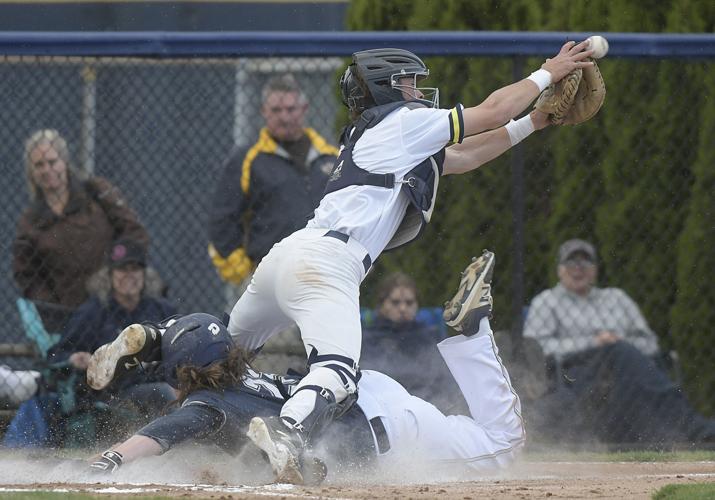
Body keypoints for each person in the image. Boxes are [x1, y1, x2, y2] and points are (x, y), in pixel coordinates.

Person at [90, 43, 593, 480]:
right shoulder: (402, 124)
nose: (419, 92)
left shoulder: (381, 136)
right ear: (388, 88)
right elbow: (487, 112)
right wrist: (547, 72)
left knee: (223, 358)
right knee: (337, 371)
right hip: (328, 264)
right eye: (410, 83)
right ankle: (288, 434)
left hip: (285, 257)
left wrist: (538, 120)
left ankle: (152, 340)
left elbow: (469, 154)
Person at [86, 254, 524, 485]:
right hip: (354, 391)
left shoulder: (205, 404)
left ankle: (472, 332)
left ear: (184, 373)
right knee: (463, 433)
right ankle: (156, 335)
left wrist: (112, 458)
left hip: (382, 430)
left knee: (503, 447)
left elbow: (155, 436)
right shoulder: (241, 371)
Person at [523, 238, 715, 445]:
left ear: (595, 269)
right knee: (623, 355)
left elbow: (649, 342)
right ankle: (697, 430)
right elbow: (537, 348)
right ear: (560, 270)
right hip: (577, 371)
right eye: (571, 262)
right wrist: (595, 342)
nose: (578, 268)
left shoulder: (616, 297)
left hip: (628, 367)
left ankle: (680, 436)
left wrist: (618, 342)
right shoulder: (547, 301)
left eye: (585, 262)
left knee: (626, 356)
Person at [207, 73, 338, 300]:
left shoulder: (331, 158)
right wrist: (242, 271)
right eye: (276, 110)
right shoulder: (247, 160)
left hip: (324, 274)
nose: (285, 117)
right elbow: (222, 219)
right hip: (270, 277)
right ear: (263, 112)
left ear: (304, 109)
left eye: (291, 109)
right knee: (277, 338)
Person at [13, 129, 149, 332]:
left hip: (115, 307)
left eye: (52, 161)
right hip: (68, 317)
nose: (47, 169)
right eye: (39, 165)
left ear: (65, 162)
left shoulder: (95, 192)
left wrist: (116, 271)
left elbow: (134, 232)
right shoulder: (30, 221)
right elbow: (26, 274)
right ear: (31, 171)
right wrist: (54, 306)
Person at [48, 238, 177, 414]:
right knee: (161, 393)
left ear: (144, 273)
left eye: (135, 269)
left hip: (161, 382)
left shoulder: (161, 309)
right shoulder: (93, 312)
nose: (129, 275)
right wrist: (74, 358)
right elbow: (56, 355)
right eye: (122, 269)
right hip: (113, 394)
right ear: (110, 274)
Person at [361, 272, 462, 413]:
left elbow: (445, 380)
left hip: (429, 408)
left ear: (417, 305)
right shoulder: (366, 339)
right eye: (395, 302)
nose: (403, 308)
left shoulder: (429, 337)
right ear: (381, 304)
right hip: (383, 410)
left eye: (409, 303)